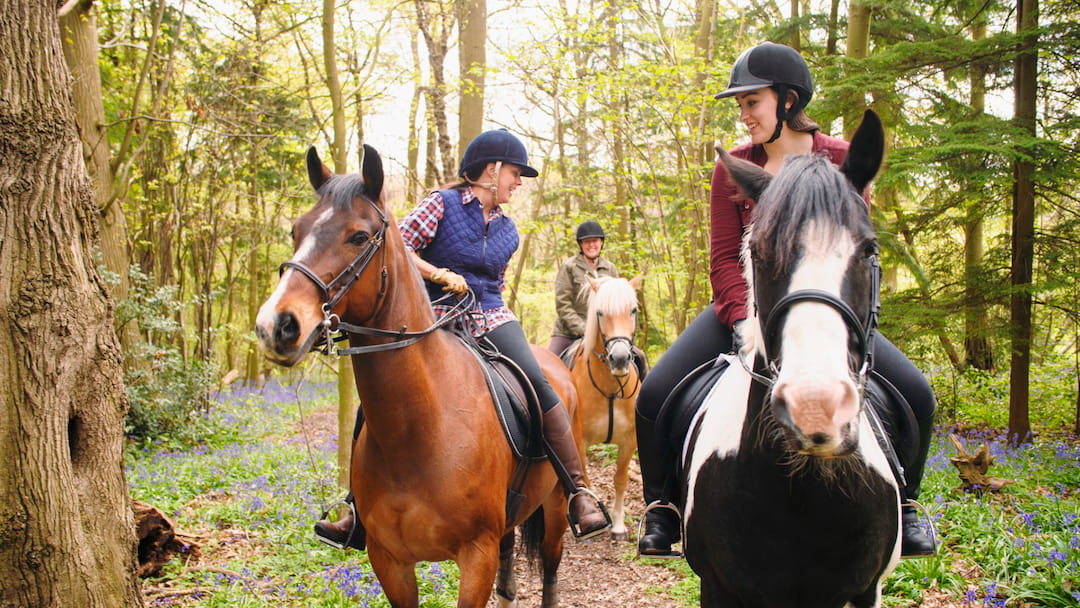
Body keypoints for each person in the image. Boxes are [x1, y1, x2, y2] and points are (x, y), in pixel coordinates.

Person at [633, 41, 937, 559]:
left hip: (825, 312)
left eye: (752, 102)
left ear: (789, 101)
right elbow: (725, 259)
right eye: (741, 106)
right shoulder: (734, 167)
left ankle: (905, 506)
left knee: (918, 394)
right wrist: (746, 322)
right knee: (655, 392)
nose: (744, 115)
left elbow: (852, 251)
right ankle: (662, 507)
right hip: (750, 312)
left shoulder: (842, 161)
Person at [315, 129, 611, 549]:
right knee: (380, 397)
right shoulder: (442, 203)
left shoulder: (509, 230)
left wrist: (493, 308)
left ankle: (579, 491)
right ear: (491, 170)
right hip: (432, 316)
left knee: (541, 384)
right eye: (514, 172)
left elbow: (497, 283)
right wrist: (438, 274)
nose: (518, 182)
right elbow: (397, 248)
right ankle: (356, 510)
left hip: (490, 314)